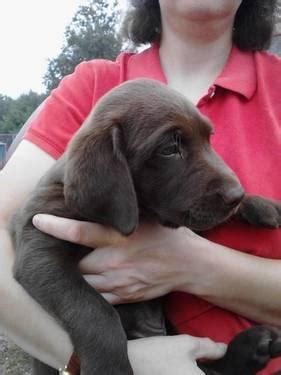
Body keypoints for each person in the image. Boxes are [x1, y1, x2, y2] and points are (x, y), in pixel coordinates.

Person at [1, 0, 280, 373]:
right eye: (170, 147)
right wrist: (105, 359)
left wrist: (191, 263)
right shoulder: (94, 89)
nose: (230, 185)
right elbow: (24, 247)